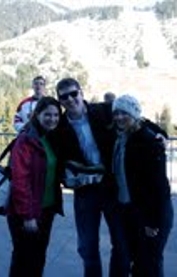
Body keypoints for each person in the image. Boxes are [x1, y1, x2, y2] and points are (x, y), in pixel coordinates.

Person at [56, 77, 133, 277]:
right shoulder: (59, 127)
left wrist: (158, 134)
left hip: (111, 187)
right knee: (87, 247)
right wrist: (68, 179)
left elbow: (135, 119)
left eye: (73, 94)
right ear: (60, 101)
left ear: (81, 93)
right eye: (64, 97)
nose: (70, 99)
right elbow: (58, 162)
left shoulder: (104, 111)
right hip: (84, 192)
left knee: (121, 242)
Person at [111, 94, 174, 277]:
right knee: (139, 261)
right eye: (116, 113)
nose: (119, 117)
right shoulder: (122, 137)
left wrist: (152, 221)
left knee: (149, 264)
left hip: (151, 214)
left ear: (134, 114)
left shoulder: (148, 141)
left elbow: (159, 186)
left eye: (124, 113)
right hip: (132, 210)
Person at [7, 96, 63, 277]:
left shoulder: (51, 138)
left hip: (46, 210)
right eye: (48, 114)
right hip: (26, 213)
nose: (52, 119)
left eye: (56, 115)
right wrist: (28, 216)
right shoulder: (26, 140)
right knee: (24, 259)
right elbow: (20, 181)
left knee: (38, 258)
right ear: (37, 114)